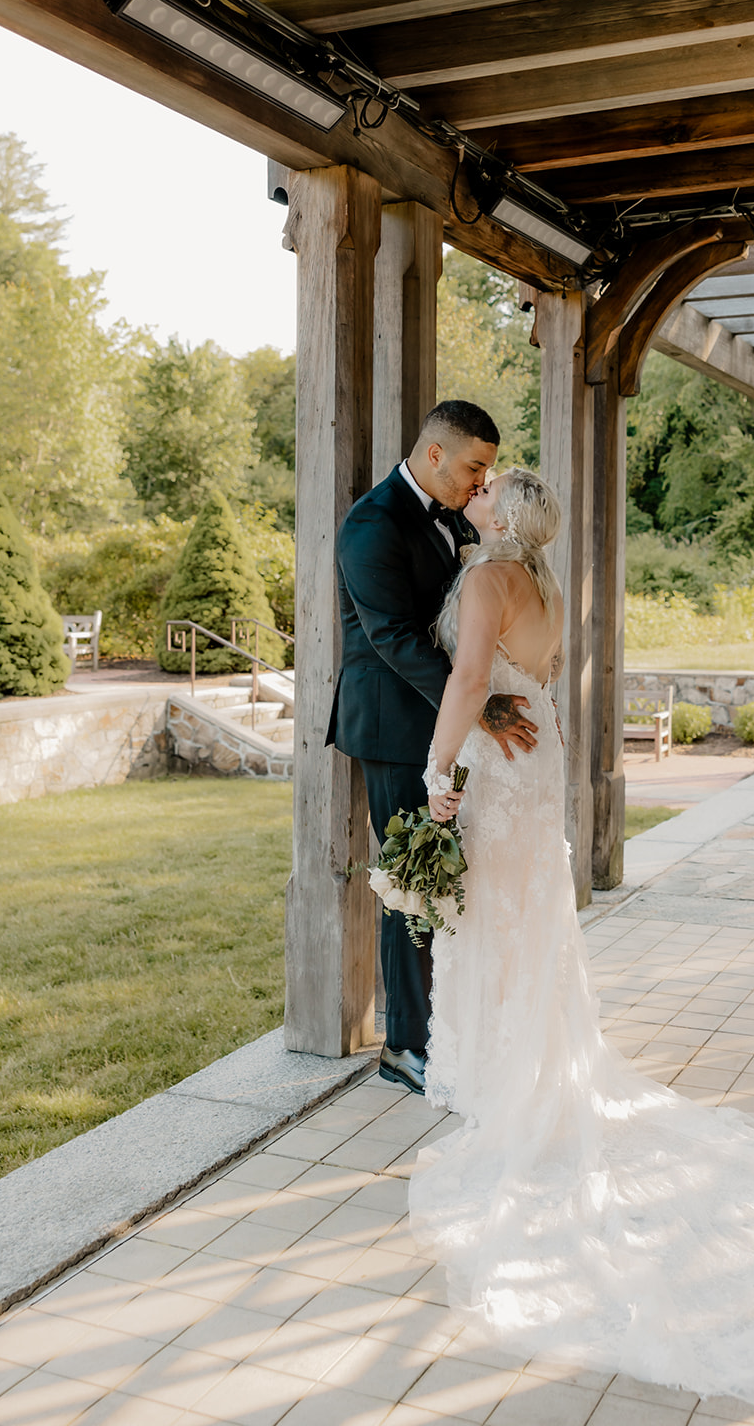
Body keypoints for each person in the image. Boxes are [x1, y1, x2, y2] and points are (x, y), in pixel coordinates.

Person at [410, 466, 754, 1408]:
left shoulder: (483, 579)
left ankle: (507, 1087)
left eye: (486, 488)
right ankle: (529, 1066)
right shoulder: (541, 582)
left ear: (502, 515)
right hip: (536, 745)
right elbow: (523, 675)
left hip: (494, 765)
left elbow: (468, 676)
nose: (475, 493)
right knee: (527, 921)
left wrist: (435, 770)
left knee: (497, 926)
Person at [327, 400, 538, 1096]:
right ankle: (404, 1046)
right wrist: (479, 703)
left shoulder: (453, 517)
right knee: (411, 885)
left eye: (489, 471)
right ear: (435, 453)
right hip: (392, 730)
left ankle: (449, 1025)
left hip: (448, 727)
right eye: (475, 467)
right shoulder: (370, 523)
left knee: (451, 881)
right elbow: (392, 639)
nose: (482, 484)